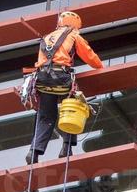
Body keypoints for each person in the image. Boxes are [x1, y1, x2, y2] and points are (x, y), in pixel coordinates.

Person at [26, 11, 103, 164]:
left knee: (46, 116)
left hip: (42, 80)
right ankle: (66, 148)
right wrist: (101, 67)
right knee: (73, 107)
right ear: (76, 25)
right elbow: (89, 56)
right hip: (61, 78)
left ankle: (34, 152)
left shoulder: (47, 37)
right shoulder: (73, 35)